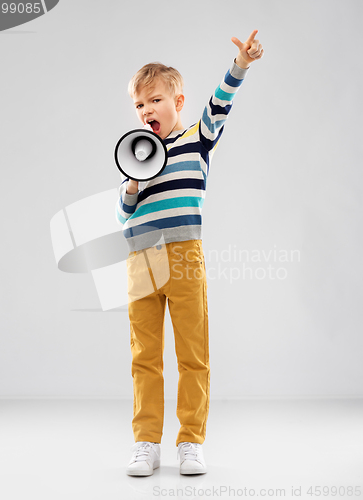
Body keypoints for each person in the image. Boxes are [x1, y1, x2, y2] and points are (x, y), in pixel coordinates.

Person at [115, 30, 264, 476]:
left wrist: (240, 64)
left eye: (155, 100)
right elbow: (123, 217)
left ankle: (191, 442)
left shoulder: (198, 138)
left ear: (177, 102)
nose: (146, 111)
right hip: (142, 258)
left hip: (183, 256)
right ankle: (146, 442)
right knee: (145, 355)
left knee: (192, 353)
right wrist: (133, 184)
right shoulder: (135, 153)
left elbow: (221, 103)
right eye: (139, 105)